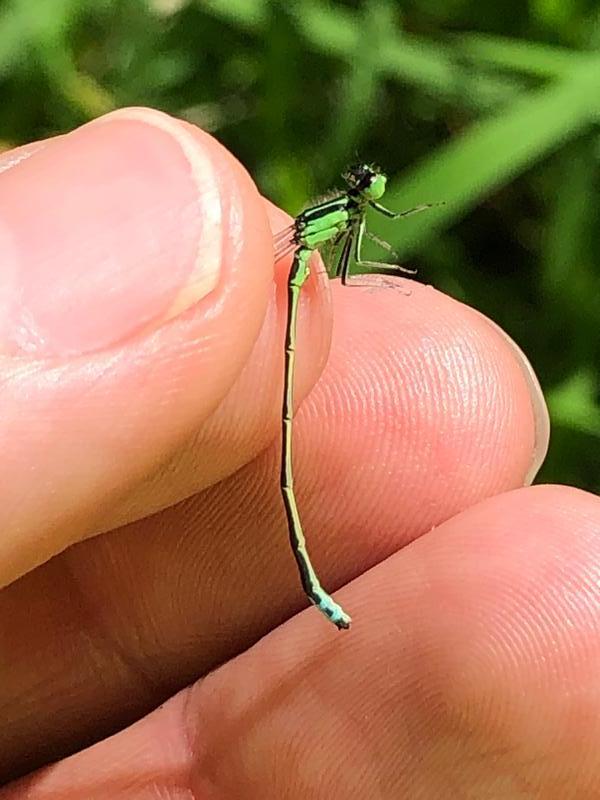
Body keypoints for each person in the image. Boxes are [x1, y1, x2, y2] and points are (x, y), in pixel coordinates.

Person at [1, 108, 598, 798]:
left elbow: (345, 265)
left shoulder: (340, 217)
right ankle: (311, 582)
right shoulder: (330, 225)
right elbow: (338, 268)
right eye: (368, 187)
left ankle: (313, 583)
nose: (371, 193)